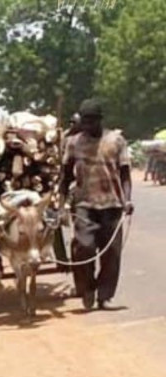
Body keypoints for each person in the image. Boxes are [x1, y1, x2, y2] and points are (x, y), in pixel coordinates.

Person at [62, 99, 133, 311]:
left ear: (100, 120)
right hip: (84, 204)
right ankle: (87, 288)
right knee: (84, 247)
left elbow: (125, 174)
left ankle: (105, 296)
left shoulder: (116, 141)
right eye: (84, 121)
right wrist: (61, 202)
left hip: (112, 204)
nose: (88, 125)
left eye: (92, 120)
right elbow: (65, 175)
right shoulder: (73, 143)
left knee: (112, 253)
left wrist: (127, 200)